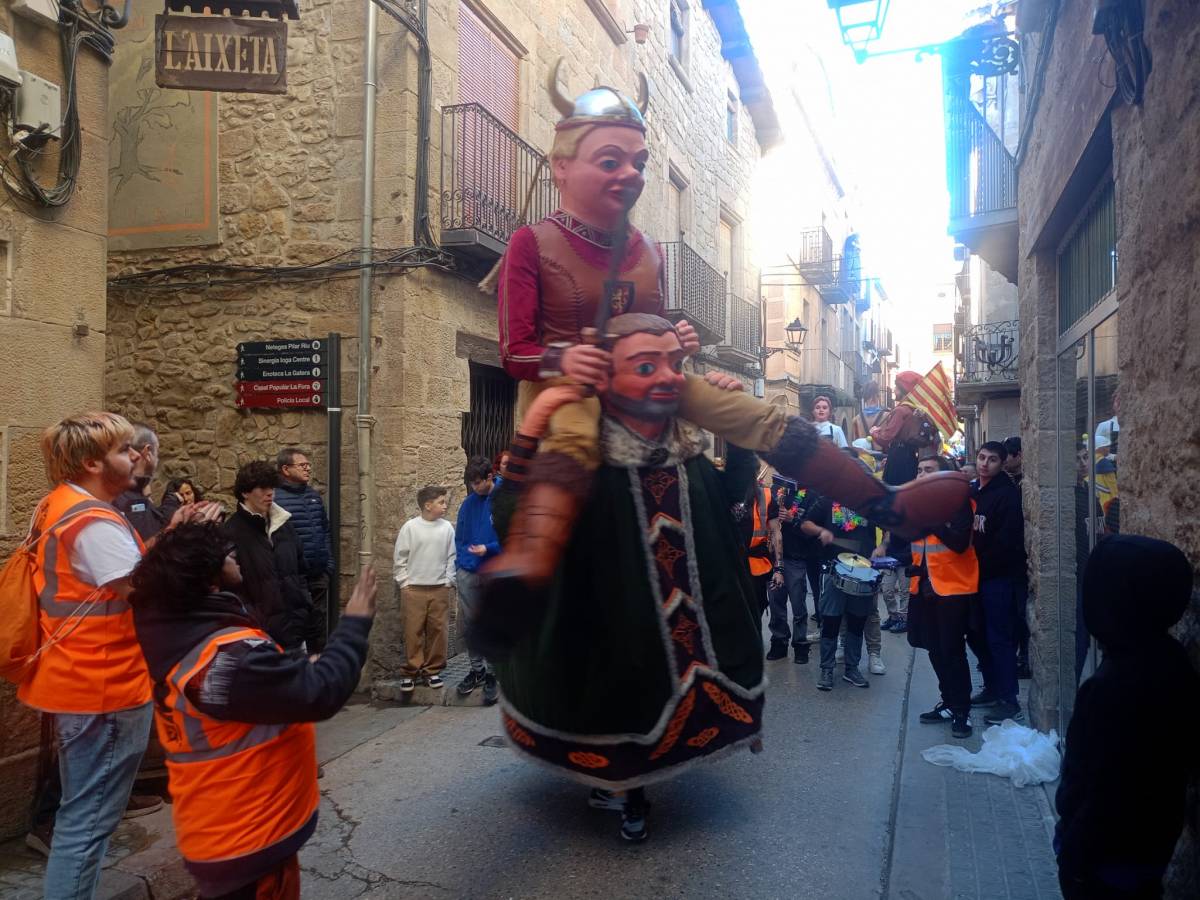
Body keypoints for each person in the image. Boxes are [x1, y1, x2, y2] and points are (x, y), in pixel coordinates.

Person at [485, 66, 969, 612]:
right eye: (610, 161)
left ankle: (884, 503)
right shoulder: (533, 243)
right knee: (571, 435)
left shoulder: (648, 251)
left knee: (753, 413)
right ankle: (532, 559)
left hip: (646, 382)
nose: (631, 174)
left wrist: (675, 337)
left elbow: (648, 327)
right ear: (562, 167)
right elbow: (515, 351)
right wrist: (567, 358)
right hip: (572, 395)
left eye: (639, 163)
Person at [480, 314, 769, 843]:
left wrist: (739, 436)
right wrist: (534, 425)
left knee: (657, 702)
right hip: (611, 619)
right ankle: (626, 790)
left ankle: (632, 789)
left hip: (687, 634)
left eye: (674, 365)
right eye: (645, 365)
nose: (667, 378)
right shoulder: (582, 458)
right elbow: (511, 518)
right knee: (619, 704)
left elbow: (733, 503)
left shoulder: (688, 456)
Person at [130, 522, 376, 899]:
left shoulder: (185, 634)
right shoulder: (225, 660)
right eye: (227, 556)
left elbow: (259, 689)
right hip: (248, 838)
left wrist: (292, 669)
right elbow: (320, 693)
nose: (236, 558)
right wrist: (354, 624)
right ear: (209, 580)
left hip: (223, 830)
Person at [18, 413, 164, 898]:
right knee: (87, 825)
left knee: (80, 815)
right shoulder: (94, 521)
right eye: (126, 451)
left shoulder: (56, 504)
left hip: (77, 676)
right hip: (106, 684)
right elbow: (142, 591)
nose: (136, 458)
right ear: (91, 462)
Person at [1055, 535, 1200, 900]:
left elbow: (1106, 792)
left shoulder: (1113, 687)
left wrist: (1073, 858)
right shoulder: (1170, 659)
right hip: (1150, 844)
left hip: (1107, 859)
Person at [908, 455, 981, 739]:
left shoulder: (958, 503)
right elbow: (922, 546)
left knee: (952, 651)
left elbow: (960, 543)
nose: (921, 474)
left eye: (928, 470)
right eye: (919, 470)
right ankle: (948, 702)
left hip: (954, 590)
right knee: (934, 649)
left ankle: (962, 711)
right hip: (924, 587)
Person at [221, 461, 313, 651]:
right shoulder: (231, 532)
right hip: (260, 637)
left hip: (296, 631)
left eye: (271, 487)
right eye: (262, 488)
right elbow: (231, 588)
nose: (270, 492)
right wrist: (254, 621)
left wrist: (304, 606)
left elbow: (301, 571)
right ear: (245, 492)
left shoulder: (284, 524)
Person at [970, 441, 1027, 724]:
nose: (985, 463)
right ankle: (992, 688)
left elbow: (1005, 542)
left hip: (997, 579)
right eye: (981, 457)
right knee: (977, 635)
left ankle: (1009, 699)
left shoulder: (1007, 496)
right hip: (973, 579)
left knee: (999, 639)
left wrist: (979, 568)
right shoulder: (972, 491)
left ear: (1002, 463)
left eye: (992, 459)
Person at [392, 486, 456, 692]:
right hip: (414, 589)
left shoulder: (447, 528)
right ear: (428, 506)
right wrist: (404, 582)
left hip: (439, 588)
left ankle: (433, 670)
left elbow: (451, 557)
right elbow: (400, 556)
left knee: (438, 630)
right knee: (413, 630)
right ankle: (411, 671)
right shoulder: (410, 527)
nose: (445, 505)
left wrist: (448, 581)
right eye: (441, 502)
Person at [274, 447, 335, 654]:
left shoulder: (313, 496)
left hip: (318, 574)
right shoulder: (274, 499)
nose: (308, 469)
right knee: (294, 626)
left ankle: (318, 672)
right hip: (292, 577)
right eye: (302, 465)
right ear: (285, 469)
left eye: (309, 465)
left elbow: (325, 530)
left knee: (318, 626)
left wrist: (328, 565)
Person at [454, 457, 501, 704]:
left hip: (495, 569)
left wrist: (490, 548)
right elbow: (460, 537)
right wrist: (463, 565)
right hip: (469, 572)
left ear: (489, 477)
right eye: (471, 483)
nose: (474, 488)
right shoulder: (468, 504)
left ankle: (494, 674)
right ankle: (477, 670)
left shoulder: (506, 498)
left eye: (478, 483)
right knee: (472, 624)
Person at [768, 477, 825, 664]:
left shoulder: (811, 494)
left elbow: (814, 532)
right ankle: (779, 642)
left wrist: (793, 520)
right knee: (776, 603)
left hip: (797, 558)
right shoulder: (776, 489)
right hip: (775, 558)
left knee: (798, 605)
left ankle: (800, 645)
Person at [113, 421, 181, 543]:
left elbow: (154, 523)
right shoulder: (130, 500)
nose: (157, 459)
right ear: (147, 452)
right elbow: (148, 551)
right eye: (157, 452)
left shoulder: (136, 491)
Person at [739, 473, 779, 621]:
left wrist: (779, 568)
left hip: (756, 565)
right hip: (729, 566)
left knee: (755, 612)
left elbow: (776, 533)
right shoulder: (722, 492)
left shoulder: (766, 496)